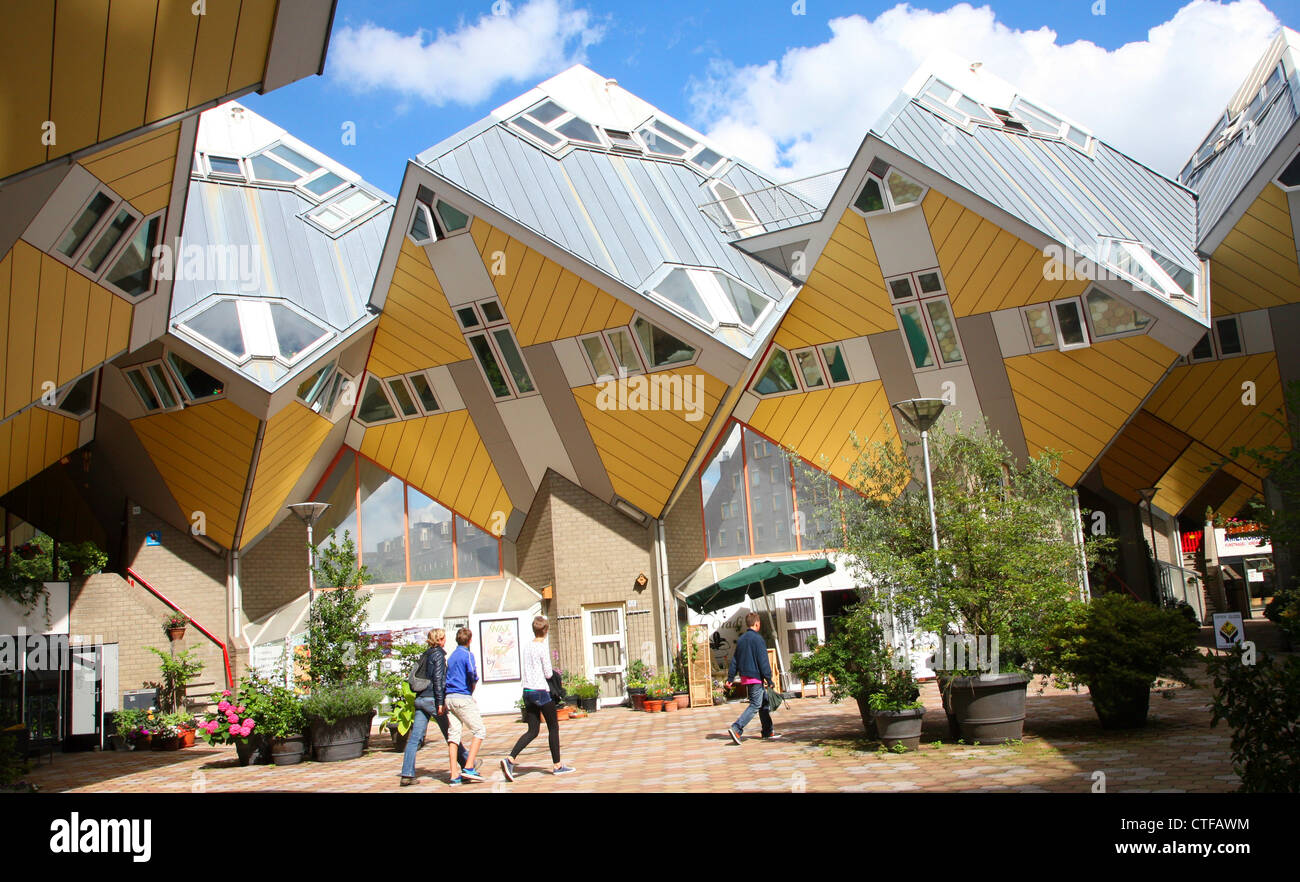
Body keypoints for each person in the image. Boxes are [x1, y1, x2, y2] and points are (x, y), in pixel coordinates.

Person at [501, 616, 574, 781]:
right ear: (546, 631)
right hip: (541, 690)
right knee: (553, 727)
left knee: (532, 730)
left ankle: (510, 759)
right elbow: (548, 673)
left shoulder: (527, 647)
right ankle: (558, 765)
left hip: (527, 691)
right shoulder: (542, 647)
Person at [398, 628, 467, 786]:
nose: (445, 640)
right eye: (443, 638)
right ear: (440, 639)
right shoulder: (439, 655)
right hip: (432, 699)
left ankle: (407, 774)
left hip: (420, 699)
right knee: (450, 732)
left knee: (415, 738)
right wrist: (440, 702)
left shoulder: (426, 654)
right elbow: (437, 680)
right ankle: (467, 763)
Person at [724, 612, 782, 744]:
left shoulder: (742, 639)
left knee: (764, 703)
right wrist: (769, 679)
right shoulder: (758, 639)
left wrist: (731, 678)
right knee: (756, 704)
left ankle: (768, 731)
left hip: (746, 677)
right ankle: (737, 728)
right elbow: (763, 661)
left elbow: (735, 660)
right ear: (757, 623)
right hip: (755, 677)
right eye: (759, 623)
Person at [445, 626, 487, 785]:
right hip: (463, 697)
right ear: (470, 640)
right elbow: (472, 674)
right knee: (479, 730)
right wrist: (472, 688)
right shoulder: (468, 655)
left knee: (454, 735)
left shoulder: (451, 657)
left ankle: (453, 774)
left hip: (449, 698)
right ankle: (469, 766)